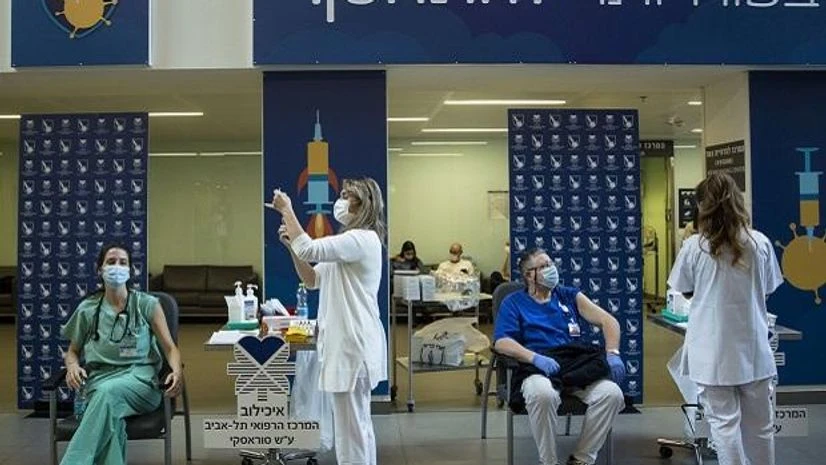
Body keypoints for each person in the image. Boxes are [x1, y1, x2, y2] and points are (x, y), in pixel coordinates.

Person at [668, 173, 783, 465]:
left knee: (724, 426)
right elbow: (768, 288)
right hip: (753, 349)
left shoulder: (695, 246)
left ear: (702, 207)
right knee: (760, 427)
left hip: (712, 353)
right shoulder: (759, 243)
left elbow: (683, 289)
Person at [273, 178, 387, 465]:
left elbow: (310, 248)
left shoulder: (359, 240)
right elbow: (312, 279)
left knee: (352, 431)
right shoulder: (347, 246)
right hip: (346, 344)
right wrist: (290, 246)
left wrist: (287, 210)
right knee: (354, 427)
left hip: (353, 344)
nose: (341, 200)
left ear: (364, 205)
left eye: (348, 195)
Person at [494, 248, 626, 465]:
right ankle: (549, 461)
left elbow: (608, 321)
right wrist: (535, 358)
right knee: (543, 395)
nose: (551, 269)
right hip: (537, 367)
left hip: (574, 365)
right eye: (544, 266)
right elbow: (502, 342)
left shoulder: (567, 295)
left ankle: (581, 459)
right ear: (529, 275)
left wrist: (613, 352)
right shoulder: (514, 302)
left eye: (551, 264)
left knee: (612, 394)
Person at [61, 244, 183, 465]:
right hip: (98, 380)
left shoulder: (147, 305)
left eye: (122, 262)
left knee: (107, 396)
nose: (116, 267)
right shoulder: (88, 309)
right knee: (110, 418)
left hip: (141, 382)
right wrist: (72, 366)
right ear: (100, 270)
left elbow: (170, 348)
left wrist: (176, 370)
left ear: (130, 270)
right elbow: (72, 352)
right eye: (110, 262)